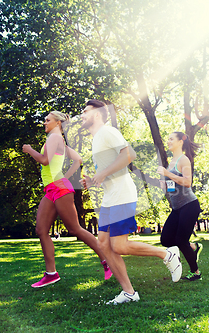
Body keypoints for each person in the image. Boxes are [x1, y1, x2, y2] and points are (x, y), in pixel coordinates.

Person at [80, 99, 182, 304]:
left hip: (122, 196)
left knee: (119, 246)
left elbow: (129, 154)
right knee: (103, 244)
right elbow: (111, 169)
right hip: (110, 197)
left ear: (97, 114)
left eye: (85, 111)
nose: (81, 115)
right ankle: (129, 292)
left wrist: (103, 174)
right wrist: (94, 180)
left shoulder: (107, 132)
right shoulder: (96, 139)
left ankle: (167, 254)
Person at [22, 111, 112, 288]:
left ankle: (107, 259)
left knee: (75, 228)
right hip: (52, 189)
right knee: (41, 230)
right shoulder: (58, 140)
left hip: (60, 189)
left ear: (57, 123)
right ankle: (51, 274)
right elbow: (78, 159)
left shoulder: (54, 138)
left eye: (48, 120)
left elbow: (45, 160)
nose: (44, 123)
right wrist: (65, 176)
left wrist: (30, 150)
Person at [158, 132, 203, 281]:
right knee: (166, 239)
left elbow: (187, 182)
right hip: (177, 208)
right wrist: (163, 184)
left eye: (171, 139)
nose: (168, 141)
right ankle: (193, 247)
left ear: (180, 142)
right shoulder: (171, 161)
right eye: (168, 139)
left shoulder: (184, 160)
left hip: (189, 205)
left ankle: (195, 273)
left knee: (180, 240)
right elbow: (173, 185)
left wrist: (167, 174)